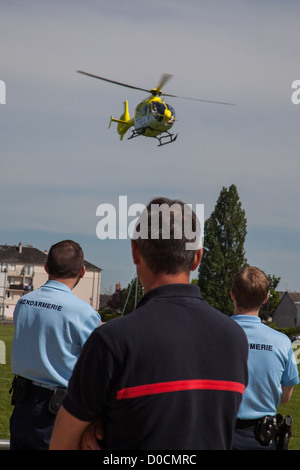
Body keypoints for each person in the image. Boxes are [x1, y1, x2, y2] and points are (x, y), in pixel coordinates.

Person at [50, 198, 248, 450]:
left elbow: (60, 444)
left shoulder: (112, 342)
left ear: (135, 251)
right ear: (197, 257)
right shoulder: (235, 338)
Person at [10, 240, 101, 450]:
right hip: (58, 410)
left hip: (22, 405)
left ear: (46, 267)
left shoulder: (24, 303)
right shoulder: (84, 313)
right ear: (82, 271)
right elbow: (95, 368)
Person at [230, 266, 299, 450]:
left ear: (232, 294)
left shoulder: (212, 334)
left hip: (220, 433)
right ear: (266, 298)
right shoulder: (282, 342)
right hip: (262, 438)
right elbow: (285, 397)